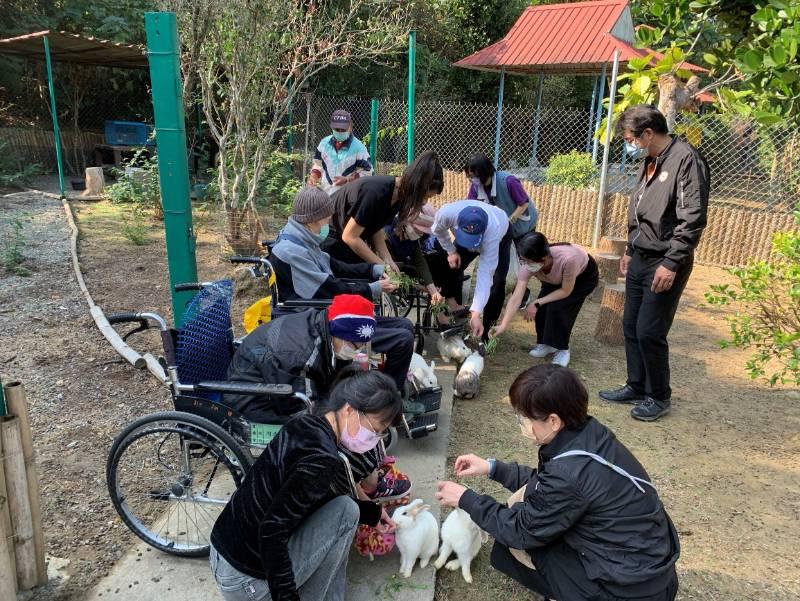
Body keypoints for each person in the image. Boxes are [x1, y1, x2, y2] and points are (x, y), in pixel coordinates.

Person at [435, 364, 680, 601]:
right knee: (524, 504)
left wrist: (465, 499)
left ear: (553, 421)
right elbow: (547, 487)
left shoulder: (568, 471)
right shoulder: (588, 434)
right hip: (646, 568)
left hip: (625, 589)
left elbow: (520, 531)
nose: (522, 423)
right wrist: (493, 468)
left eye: (525, 417)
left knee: (516, 535)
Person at [210, 369, 402, 601]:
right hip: (244, 578)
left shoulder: (308, 423)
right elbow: (272, 531)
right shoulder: (323, 459)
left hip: (225, 551)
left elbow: (304, 498)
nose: (374, 441)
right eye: (375, 431)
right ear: (350, 409)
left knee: (347, 509)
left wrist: (372, 512)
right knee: (343, 515)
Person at [225, 294, 410, 502]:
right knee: (336, 424)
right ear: (339, 331)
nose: (356, 351)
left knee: (356, 409)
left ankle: (367, 474)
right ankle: (362, 482)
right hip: (256, 399)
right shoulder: (301, 353)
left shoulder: (324, 329)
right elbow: (303, 410)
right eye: (355, 345)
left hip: (279, 385)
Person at [599, 105, 709, 422]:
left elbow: (693, 218)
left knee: (650, 330)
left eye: (631, 138)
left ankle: (659, 396)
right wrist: (631, 249)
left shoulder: (686, 159)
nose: (629, 143)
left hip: (665, 260)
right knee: (631, 326)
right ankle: (636, 385)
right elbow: (639, 208)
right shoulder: (651, 159)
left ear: (648, 133)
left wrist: (672, 262)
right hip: (641, 255)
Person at [268, 188, 416, 395]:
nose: (328, 224)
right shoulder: (290, 251)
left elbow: (337, 267)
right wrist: (371, 289)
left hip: (327, 309)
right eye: (326, 219)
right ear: (312, 220)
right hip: (313, 319)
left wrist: (375, 269)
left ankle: (385, 391)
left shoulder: (304, 240)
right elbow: (329, 290)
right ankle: (386, 403)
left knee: (406, 325)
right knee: (402, 340)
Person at [321, 150, 444, 270]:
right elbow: (350, 237)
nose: (424, 202)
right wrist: (382, 266)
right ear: (417, 187)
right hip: (328, 237)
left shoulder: (399, 197)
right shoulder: (376, 193)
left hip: (346, 240)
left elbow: (376, 227)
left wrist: (388, 261)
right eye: (426, 196)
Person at [492, 232, 598, 367]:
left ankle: (562, 350)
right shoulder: (529, 264)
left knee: (559, 308)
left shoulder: (568, 260)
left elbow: (565, 291)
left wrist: (537, 302)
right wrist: (503, 324)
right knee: (542, 309)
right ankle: (546, 344)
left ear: (544, 258)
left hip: (582, 278)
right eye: (522, 260)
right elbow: (516, 297)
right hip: (554, 277)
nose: (524, 264)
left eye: (528, 261)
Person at [431, 199, 510, 339]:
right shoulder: (447, 213)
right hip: (471, 229)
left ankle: (487, 330)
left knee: (498, 282)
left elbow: (485, 274)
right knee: (452, 266)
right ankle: (456, 310)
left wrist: (476, 313)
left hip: (501, 236)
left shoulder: (493, 231)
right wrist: (451, 251)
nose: (472, 247)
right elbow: (438, 230)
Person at [464, 153, 538, 242]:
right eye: (468, 176)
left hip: (523, 227)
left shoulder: (508, 181)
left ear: (484, 172)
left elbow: (524, 204)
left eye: (472, 176)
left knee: (523, 251)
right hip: (502, 228)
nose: (470, 179)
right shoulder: (476, 186)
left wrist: (508, 223)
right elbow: (471, 205)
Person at [307, 109, 373, 195]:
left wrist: (347, 180)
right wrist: (313, 176)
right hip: (326, 194)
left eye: (343, 129)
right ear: (331, 127)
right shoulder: (324, 143)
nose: (340, 132)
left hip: (347, 196)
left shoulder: (359, 148)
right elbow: (318, 164)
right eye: (337, 129)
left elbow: (368, 172)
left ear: (350, 127)